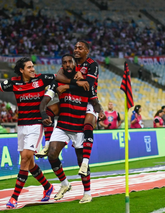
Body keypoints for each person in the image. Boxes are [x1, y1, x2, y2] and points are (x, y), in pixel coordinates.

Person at [0, 57, 67, 209]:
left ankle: (14, 198)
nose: (33, 69)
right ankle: (48, 187)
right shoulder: (14, 83)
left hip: (35, 125)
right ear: (21, 70)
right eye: (29, 67)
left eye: (33, 67)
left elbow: (59, 77)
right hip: (21, 127)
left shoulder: (41, 79)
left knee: (25, 158)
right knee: (30, 164)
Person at [40, 54, 98, 204]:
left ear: (74, 64)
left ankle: (87, 193)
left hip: (79, 125)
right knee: (52, 155)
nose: (67, 64)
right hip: (63, 124)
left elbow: (91, 93)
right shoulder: (57, 80)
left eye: (70, 62)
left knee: (81, 161)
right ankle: (65, 184)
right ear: (62, 65)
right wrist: (44, 109)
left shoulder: (84, 79)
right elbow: (48, 97)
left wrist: (101, 110)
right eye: (64, 62)